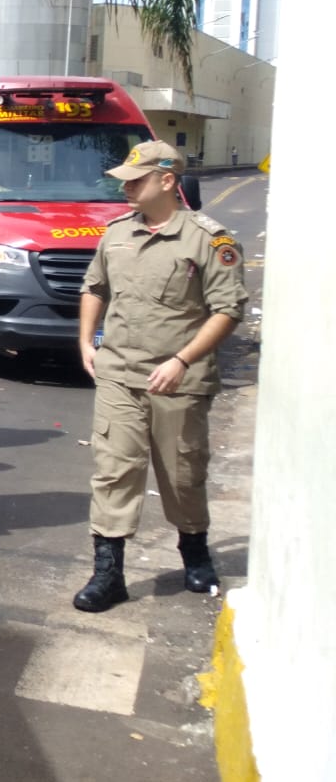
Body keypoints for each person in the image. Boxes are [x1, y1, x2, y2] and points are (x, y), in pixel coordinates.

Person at [72, 141, 248, 611]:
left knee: (183, 474)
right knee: (114, 473)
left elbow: (229, 309)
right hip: (119, 376)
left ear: (168, 181)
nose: (126, 186)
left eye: (136, 179)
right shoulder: (117, 234)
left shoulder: (208, 240)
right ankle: (108, 573)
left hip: (178, 380)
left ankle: (194, 552)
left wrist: (183, 360)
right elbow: (95, 287)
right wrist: (86, 340)